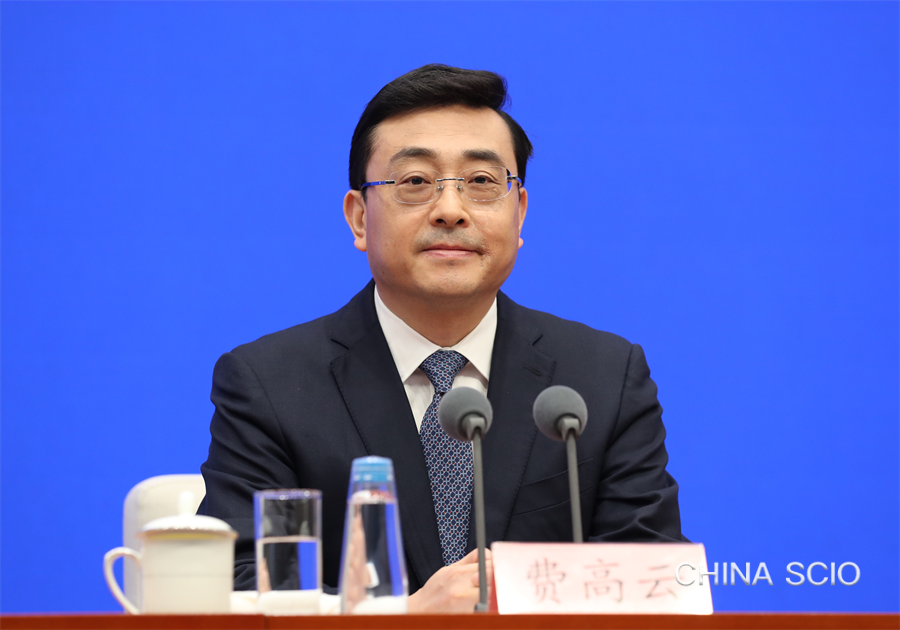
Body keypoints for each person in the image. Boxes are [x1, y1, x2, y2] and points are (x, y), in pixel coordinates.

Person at [198, 64, 685, 613]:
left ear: (519, 212)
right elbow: (239, 583)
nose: (451, 210)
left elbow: (657, 578)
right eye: (414, 182)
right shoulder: (270, 384)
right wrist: (400, 617)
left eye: (481, 182)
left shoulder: (601, 377)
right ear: (359, 219)